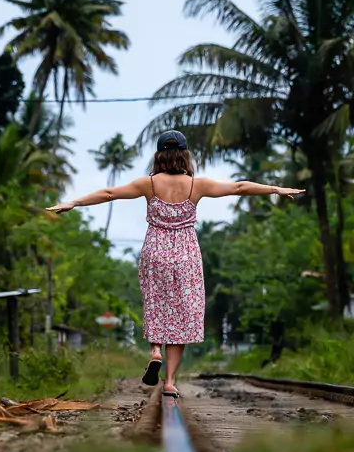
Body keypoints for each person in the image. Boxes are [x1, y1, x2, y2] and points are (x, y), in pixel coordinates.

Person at [47, 130, 304, 398]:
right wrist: (275, 189)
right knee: (182, 315)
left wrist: (74, 202)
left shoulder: (149, 184)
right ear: (185, 155)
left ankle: (155, 350)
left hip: (155, 252)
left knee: (156, 304)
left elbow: (110, 193)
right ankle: (169, 381)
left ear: (158, 155)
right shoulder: (197, 185)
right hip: (186, 255)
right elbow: (238, 187)